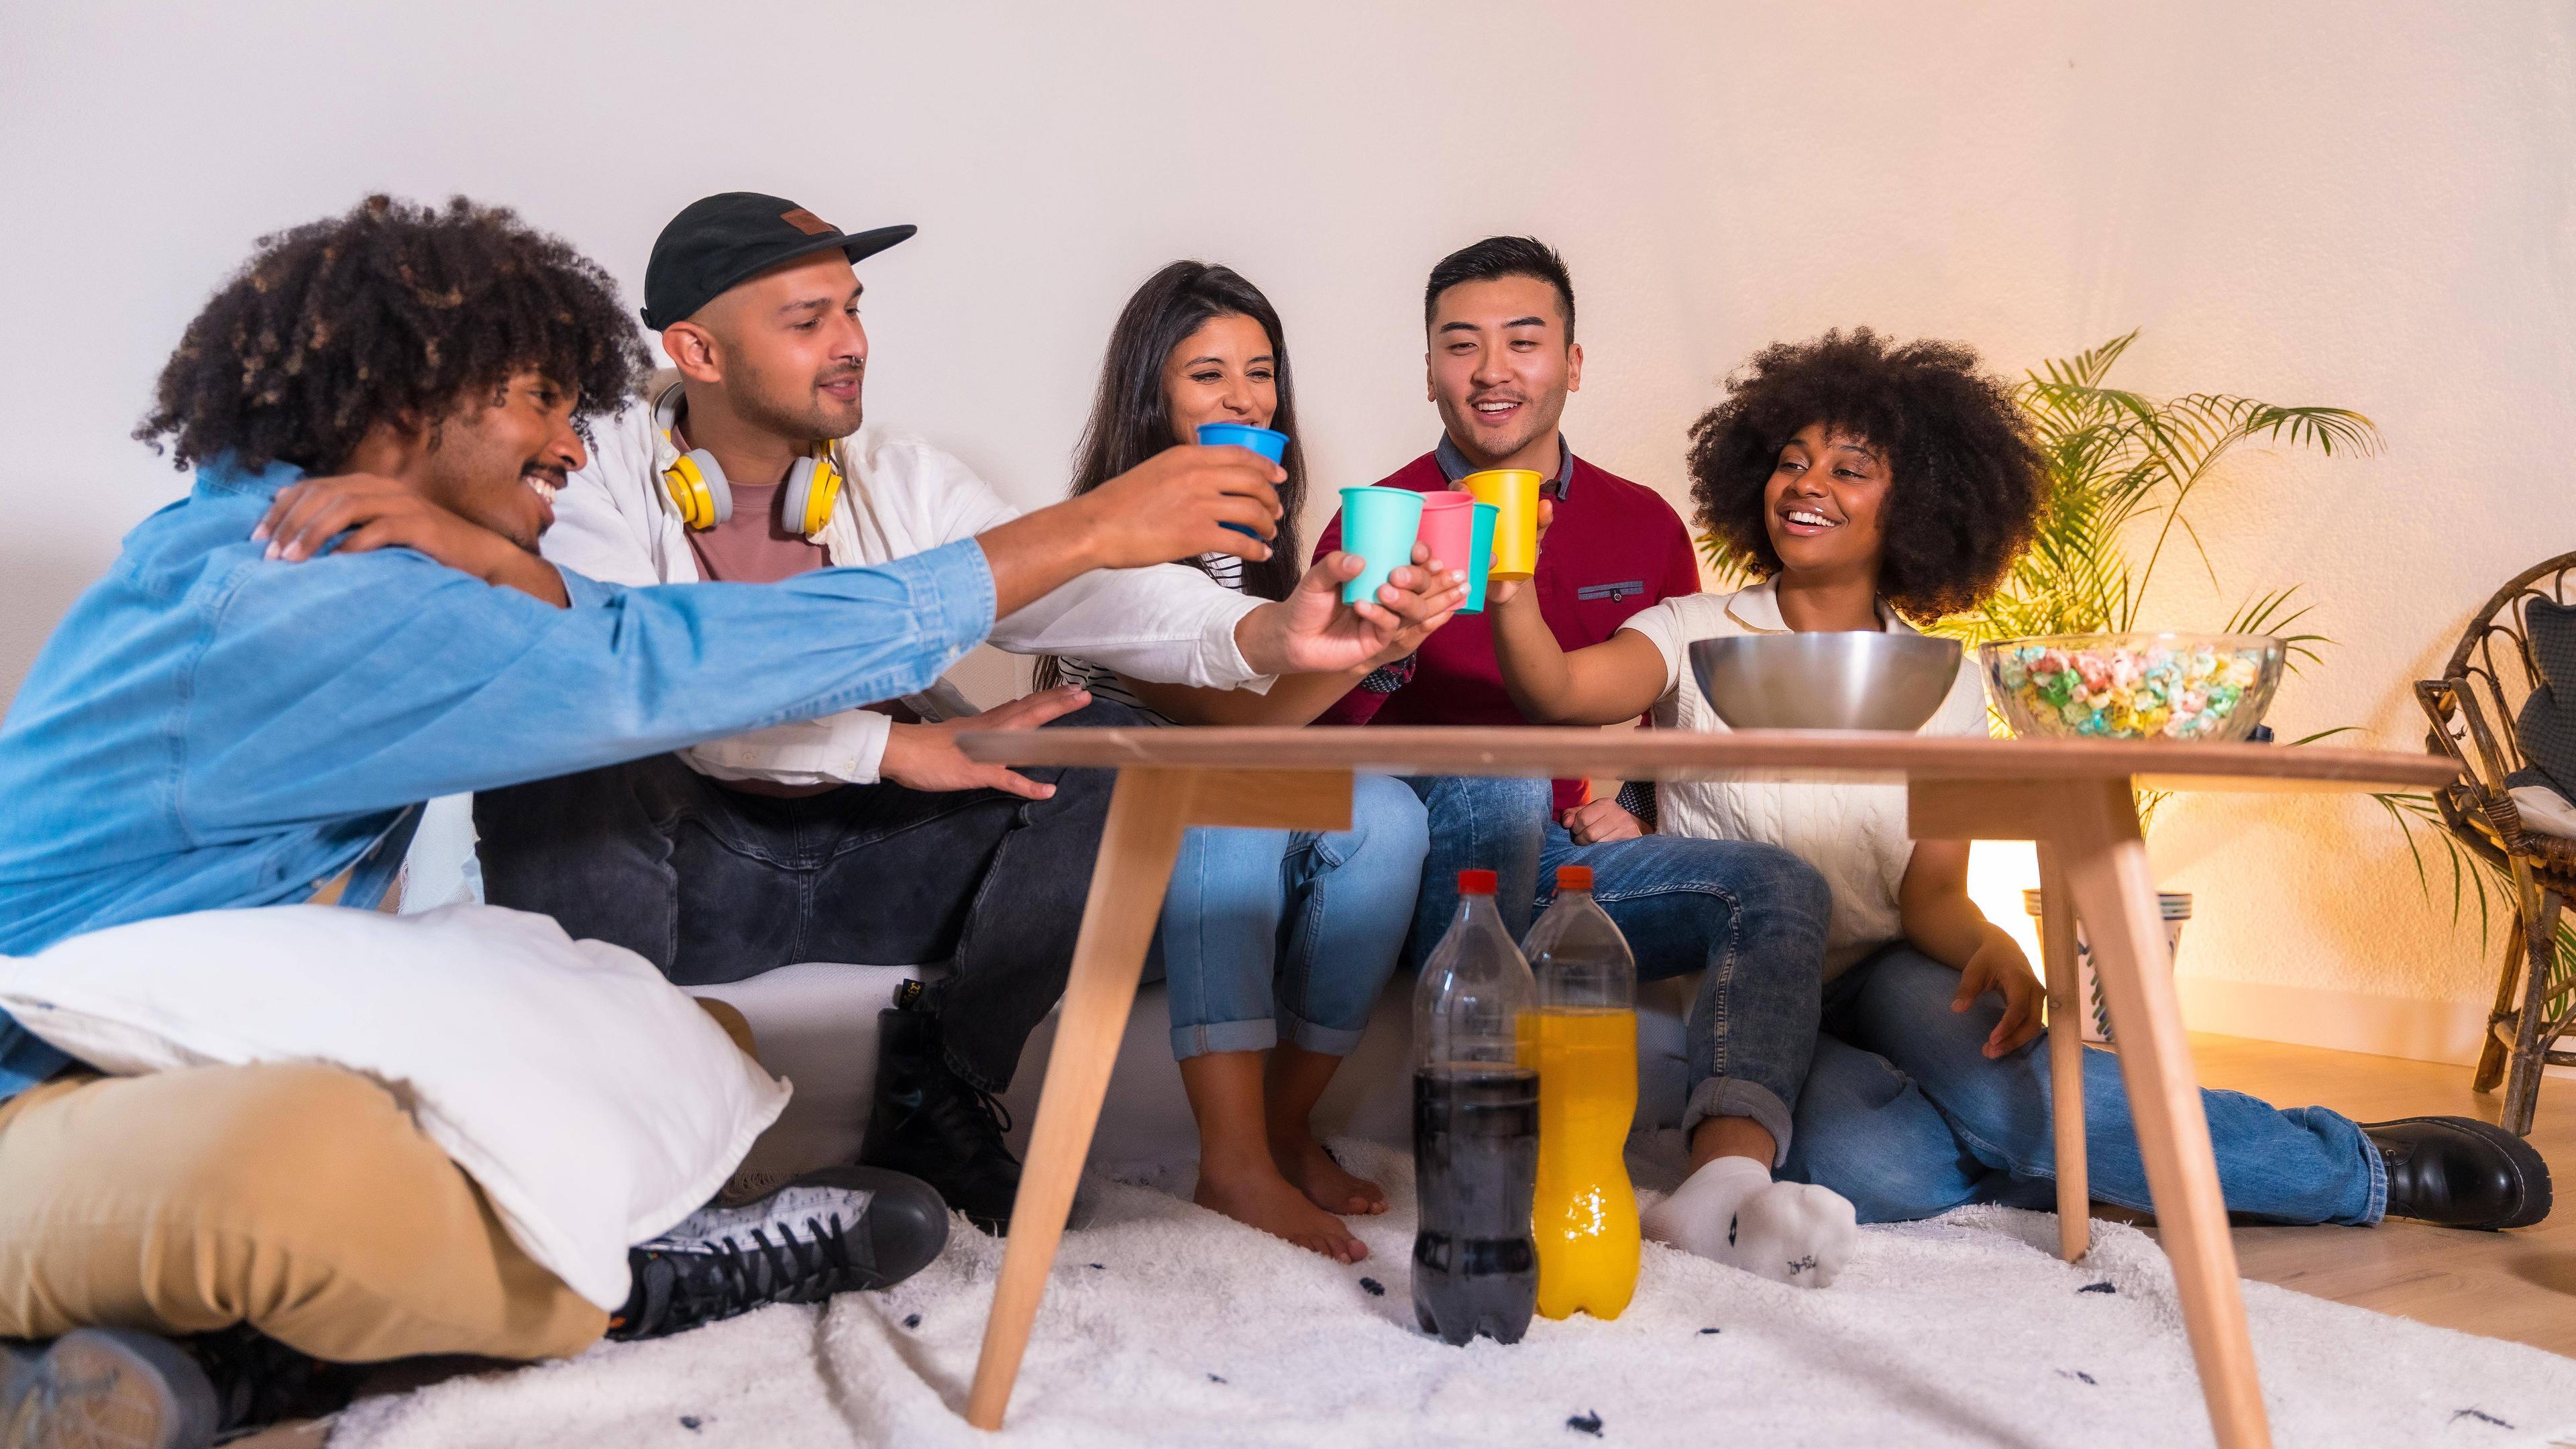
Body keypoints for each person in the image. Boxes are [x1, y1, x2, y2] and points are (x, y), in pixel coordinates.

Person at [472, 195, 1464, 1237]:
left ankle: (940, 1088)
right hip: (691, 868)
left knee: (1107, 749)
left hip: (872, 866)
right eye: (808, 321)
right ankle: (605, 1143)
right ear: (697, 351)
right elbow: (650, 683)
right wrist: (889, 749)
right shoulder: (587, 475)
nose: (851, 344)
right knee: (559, 752)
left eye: (852, 311)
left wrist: (1269, 638)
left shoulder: (905, 478)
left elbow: (1082, 589)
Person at [1489, 327, 2553, 1240]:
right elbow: (1558, 689)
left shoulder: (1944, 678)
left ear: (1913, 508)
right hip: (1760, 992)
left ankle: (2356, 1167)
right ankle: (2092, 1147)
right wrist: (1513, 581)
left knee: (2018, 1089)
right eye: (1790, 461)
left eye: (1849, 468)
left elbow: (1928, 896)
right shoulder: (1689, 634)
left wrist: (1988, 940)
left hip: (1892, 967)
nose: (1807, 485)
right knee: (1880, 1173)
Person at [1315, 237, 1850, 1284]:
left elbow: (1672, 701)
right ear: (1428, 371)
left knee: (1778, 886)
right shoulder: (1380, 520)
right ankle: (1504, 1177)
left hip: (1560, 856)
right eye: (1460, 346)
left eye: (1524, 340)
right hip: (1431, 862)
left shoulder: (1641, 523)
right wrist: (1383, 651)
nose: (1492, 370)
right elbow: (1319, 757)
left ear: (1572, 360)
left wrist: (1642, 805)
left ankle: (1722, 1190)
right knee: (1500, 775)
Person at [1047, 262, 1446, 1262]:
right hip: (1115, 852)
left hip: (1216, 800)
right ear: (1154, 398)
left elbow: (1264, 722)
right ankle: (1230, 1164)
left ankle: (1279, 1128)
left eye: (1260, 372)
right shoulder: (1110, 540)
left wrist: (1375, 639)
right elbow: (1225, 723)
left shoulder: (1260, 544)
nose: (1244, 399)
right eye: (1207, 375)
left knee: (1390, 814)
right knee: (1223, 804)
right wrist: (1359, 647)